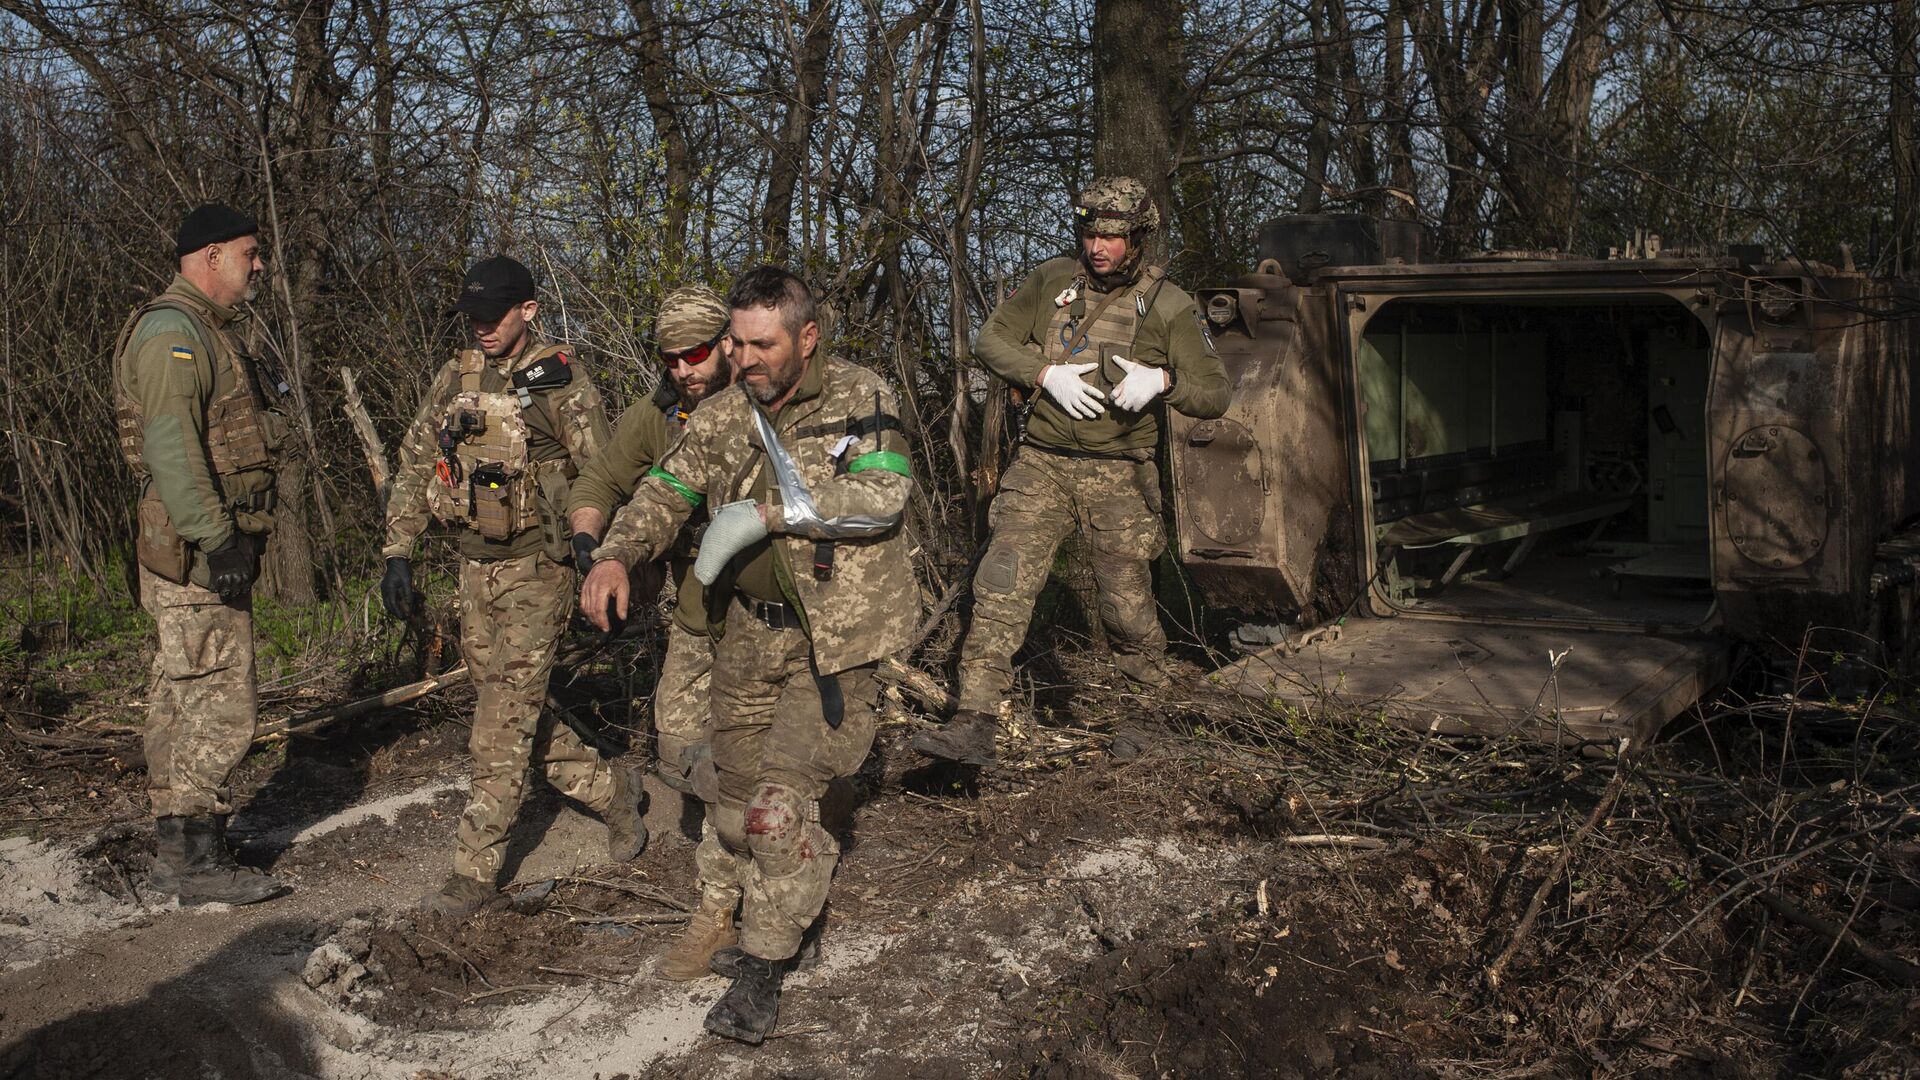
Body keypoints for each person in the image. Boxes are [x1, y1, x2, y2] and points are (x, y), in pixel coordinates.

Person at [580, 266, 915, 1043]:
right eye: (735, 341)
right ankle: (780, 904)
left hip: (833, 640)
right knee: (731, 814)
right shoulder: (725, 414)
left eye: (761, 344)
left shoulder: (861, 398)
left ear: (807, 338)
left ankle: (763, 970)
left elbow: (880, 498)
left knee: (773, 813)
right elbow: (664, 490)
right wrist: (613, 555)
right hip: (749, 634)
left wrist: (769, 513)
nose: (744, 357)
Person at [914, 176, 1229, 766]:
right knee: (1000, 587)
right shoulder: (1051, 281)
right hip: (1044, 463)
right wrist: (1043, 373)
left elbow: (1215, 392)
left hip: (1121, 472)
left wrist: (1163, 381)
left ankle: (1151, 719)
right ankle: (975, 718)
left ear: (1139, 240)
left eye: (1113, 236)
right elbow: (991, 342)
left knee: (1127, 608)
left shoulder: (1169, 305)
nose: (1099, 246)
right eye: (1090, 232)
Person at [380, 255, 646, 917]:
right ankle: (614, 792)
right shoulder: (458, 374)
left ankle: (472, 873)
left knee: (499, 723)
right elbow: (419, 457)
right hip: (474, 569)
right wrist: (398, 549)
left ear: (528, 310)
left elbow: (602, 475)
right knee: (512, 709)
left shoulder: (562, 383)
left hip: (538, 571)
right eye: (472, 317)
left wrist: (601, 557)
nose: (481, 328)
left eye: (493, 316)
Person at [112, 202, 290, 905]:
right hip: (195, 553)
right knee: (218, 705)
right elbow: (174, 452)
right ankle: (192, 861)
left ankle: (185, 849)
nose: (259, 265)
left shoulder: (202, 331)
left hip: (196, 546)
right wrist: (218, 539)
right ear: (212, 256)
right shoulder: (172, 335)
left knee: (181, 701)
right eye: (251, 252)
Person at [567, 285, 731, 829]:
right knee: (678, 740)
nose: (684, 370)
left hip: (771, 604)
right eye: (670, 359)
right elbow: (600, 479)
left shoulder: (765, 404)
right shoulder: (657, 416)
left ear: (727, 344)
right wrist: (591, 546)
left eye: (696, 354)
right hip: (696, 603)